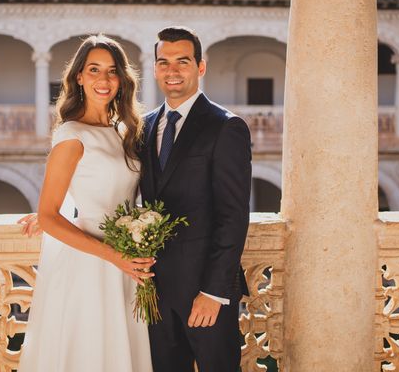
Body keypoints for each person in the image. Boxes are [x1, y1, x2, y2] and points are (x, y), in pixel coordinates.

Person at [17, 35, 154, 372]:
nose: (103, 80)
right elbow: (49, 216)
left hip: (127, 261)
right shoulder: (71, 135)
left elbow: (103, 188)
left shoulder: (125, 129)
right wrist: (115, 256)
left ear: (122, 78)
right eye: (94, 70)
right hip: (93, 264)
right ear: (79, 76)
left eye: (111, 71)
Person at [141, 25, 251, 372]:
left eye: (182, 61)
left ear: (200, 67)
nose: (172, 71)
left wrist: (214, 292)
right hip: (155, 296)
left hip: (206, 295)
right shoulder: (143, 127)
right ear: (155, 68)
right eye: (163, 62)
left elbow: (233, 217)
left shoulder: (226, 127)